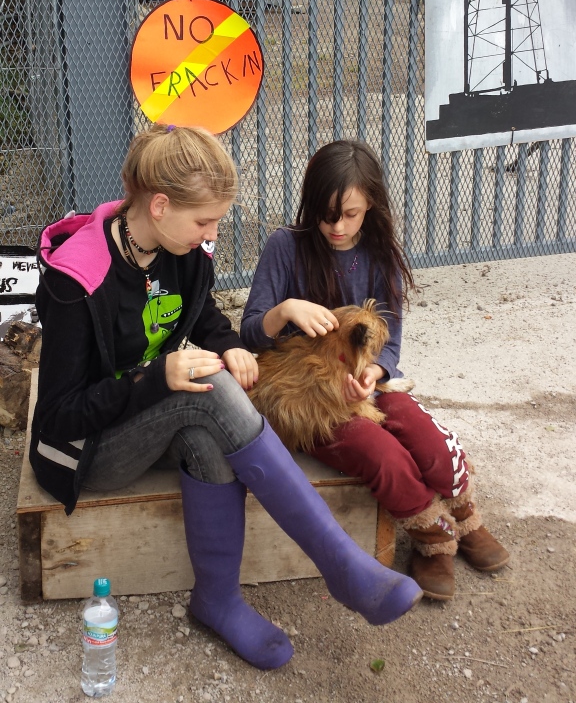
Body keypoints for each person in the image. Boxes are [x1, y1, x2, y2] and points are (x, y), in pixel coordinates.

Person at [30, 125, 421, 672]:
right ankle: (344, 567)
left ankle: (217, 600)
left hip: (145, 415)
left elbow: (205, 315)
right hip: (84, 451)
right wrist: (153, 377)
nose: (212, 234)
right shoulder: (76, 279)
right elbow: (56, 418)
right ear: (160, 205)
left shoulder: (182, 249)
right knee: (207, 392)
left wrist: (232, 346)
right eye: (204, 221)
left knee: (207, 417)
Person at [241, 139, 509, 601]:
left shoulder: (380, 253)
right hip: (312, 401)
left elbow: (392, 342)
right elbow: (248, 335)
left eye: (350, 214)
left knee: (428, 441)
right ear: (311, 202)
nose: (337, 226)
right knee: (382, 454)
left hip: (367, 387)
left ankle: (465, 514)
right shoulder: (285, 246)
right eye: (327, 213)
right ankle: (432, 536)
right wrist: (284, 310)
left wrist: (376, 374)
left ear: (371, 206)